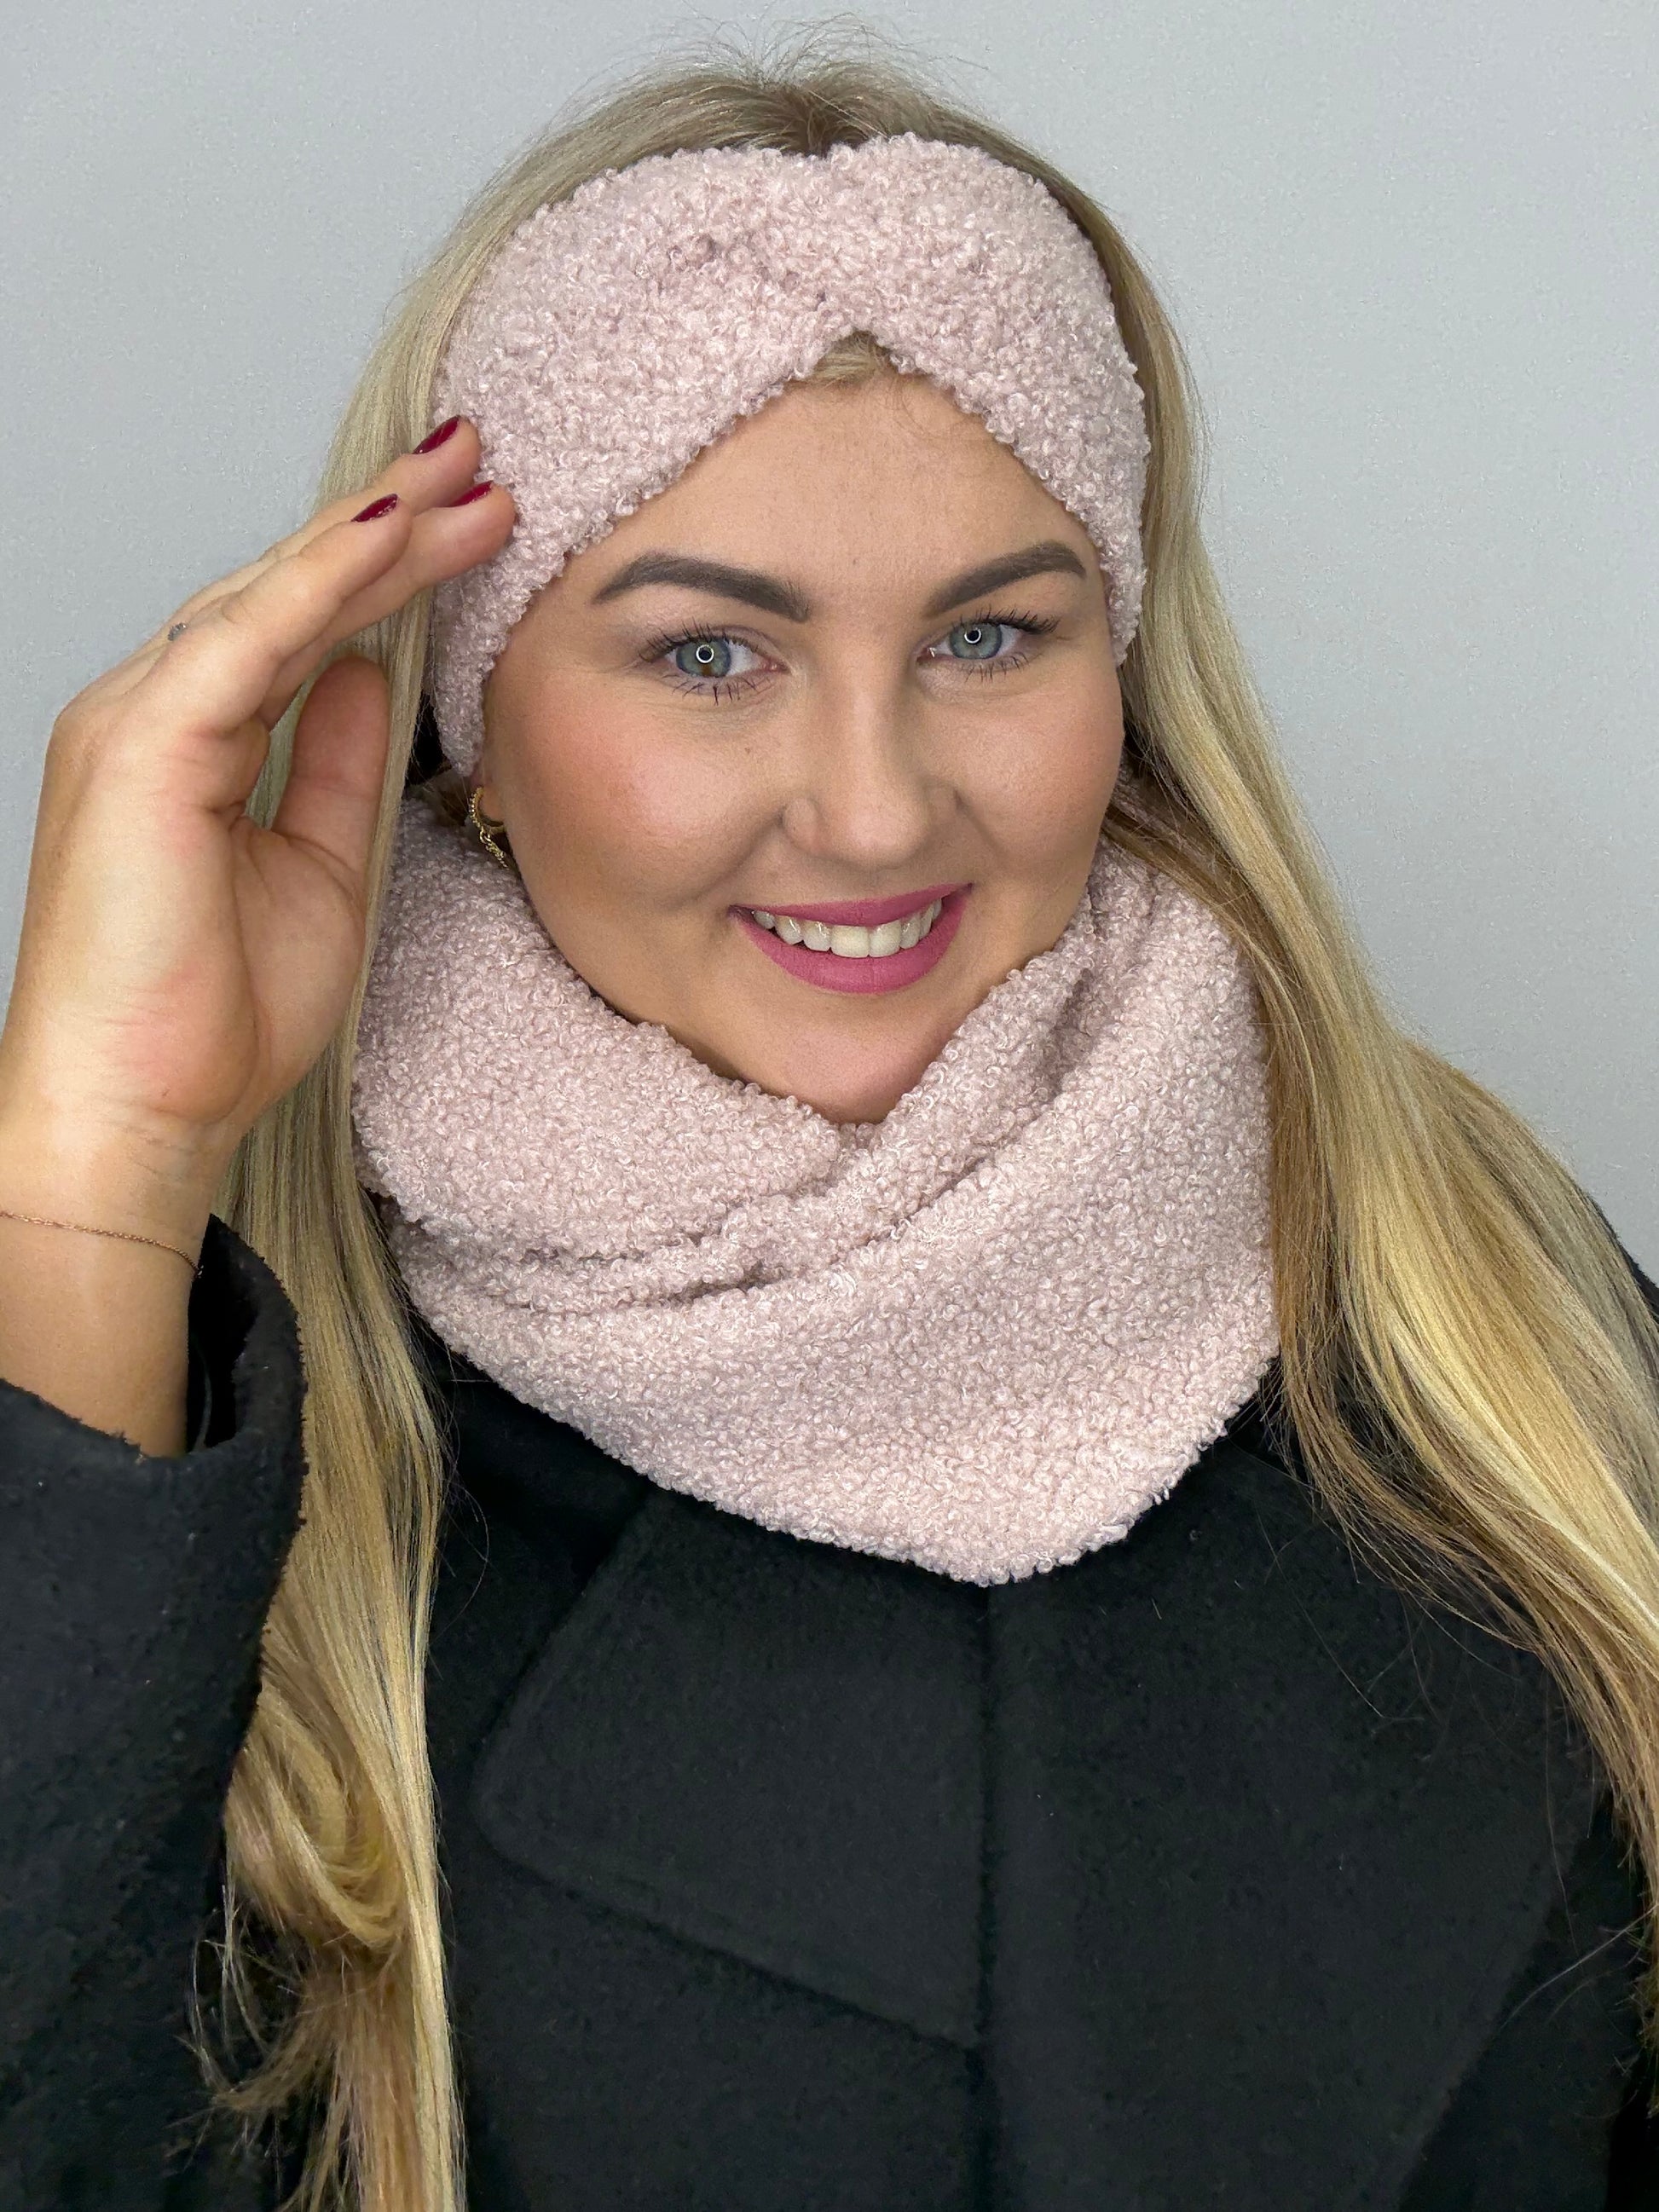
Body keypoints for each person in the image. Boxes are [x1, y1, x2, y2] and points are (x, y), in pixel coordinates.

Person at [2, 36, 1656, 2212]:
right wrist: (96, 1169)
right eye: (709, 655)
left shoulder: (1491, 1317)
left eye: (989, 632)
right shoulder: (232, 1434)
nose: (874, 812)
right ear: (472, 724)